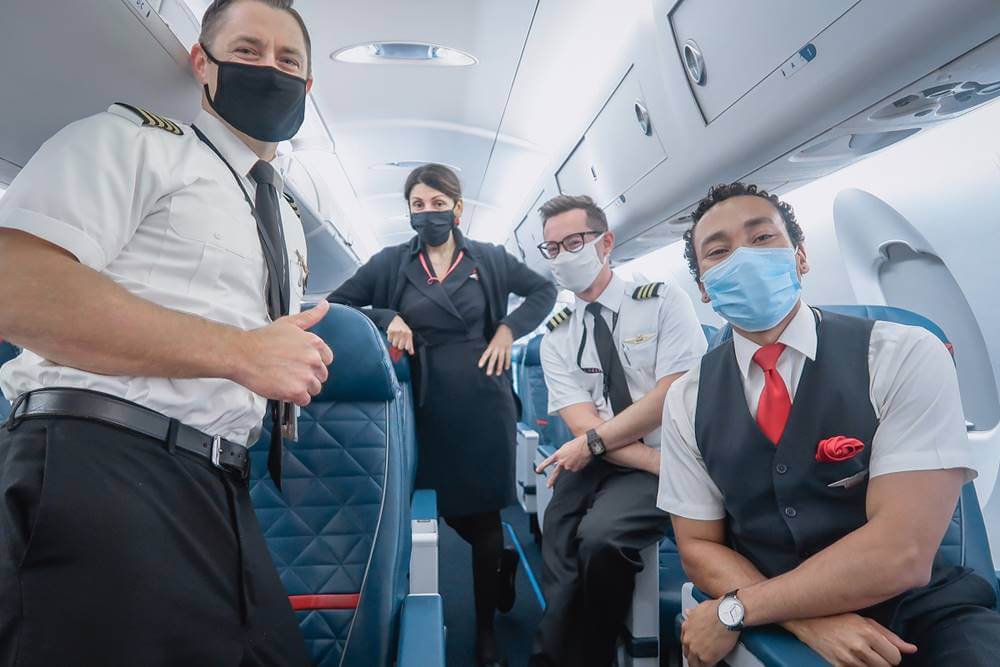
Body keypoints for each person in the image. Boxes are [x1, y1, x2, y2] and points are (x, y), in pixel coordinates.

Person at [0, 1, 332, 665]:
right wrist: (243, 353)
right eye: (247, 50)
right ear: (202, 63)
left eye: (287, 59)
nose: (269, 68)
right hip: (100, 464)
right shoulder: (131, 141)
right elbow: (16, 285)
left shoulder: (289, 221)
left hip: (216, 485)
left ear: (307, 85)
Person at [658, 182, 1000, 667]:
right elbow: (696, 545)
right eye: (719, 251)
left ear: (800, 258)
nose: (743, 259)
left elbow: (901, 550)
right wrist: (808, 620)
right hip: (776, 615)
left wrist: (738, 609)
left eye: (761, 239)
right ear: (704, 290)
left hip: (924, 613)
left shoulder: (903, 354)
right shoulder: (685, 399)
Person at [327, 163, 557, 666]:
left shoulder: (490, 260)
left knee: (486, 512)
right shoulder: (390, 263)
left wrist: (507, 331)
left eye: (437, 203)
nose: (428, 213)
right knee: (441, 509)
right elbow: (337, 304)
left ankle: (484, 632)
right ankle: (501, 564)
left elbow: (545, 292)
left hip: (484, 401)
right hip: (424, 404)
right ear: (408, 211)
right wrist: (389, 317)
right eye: (417, 205)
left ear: (458, 208)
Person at [530, 195, 707, 667]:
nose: (562, 256)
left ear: (605, 243)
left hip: (667, 455)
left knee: (602, 538)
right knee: (559, 533)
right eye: (552, 248)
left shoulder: (663, 301)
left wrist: (616, 449)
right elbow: (582, 423)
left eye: (573, 242)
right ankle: (551, 657)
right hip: (625, 458)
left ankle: (595, 653)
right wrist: (647, 460)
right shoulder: (557, 333)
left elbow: (670, 394)